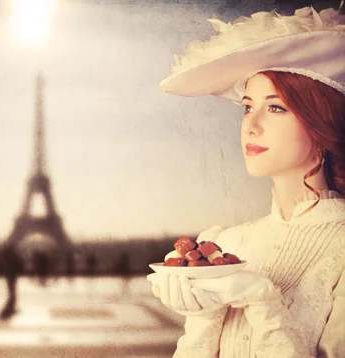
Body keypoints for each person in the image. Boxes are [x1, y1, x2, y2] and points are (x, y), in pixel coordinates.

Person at [147, 3, 345, 358]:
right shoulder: (228, 242)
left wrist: (262, 298)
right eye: (247, 107)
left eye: (275, 107)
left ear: (321, 124)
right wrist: (206, 313)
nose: (251, 125)